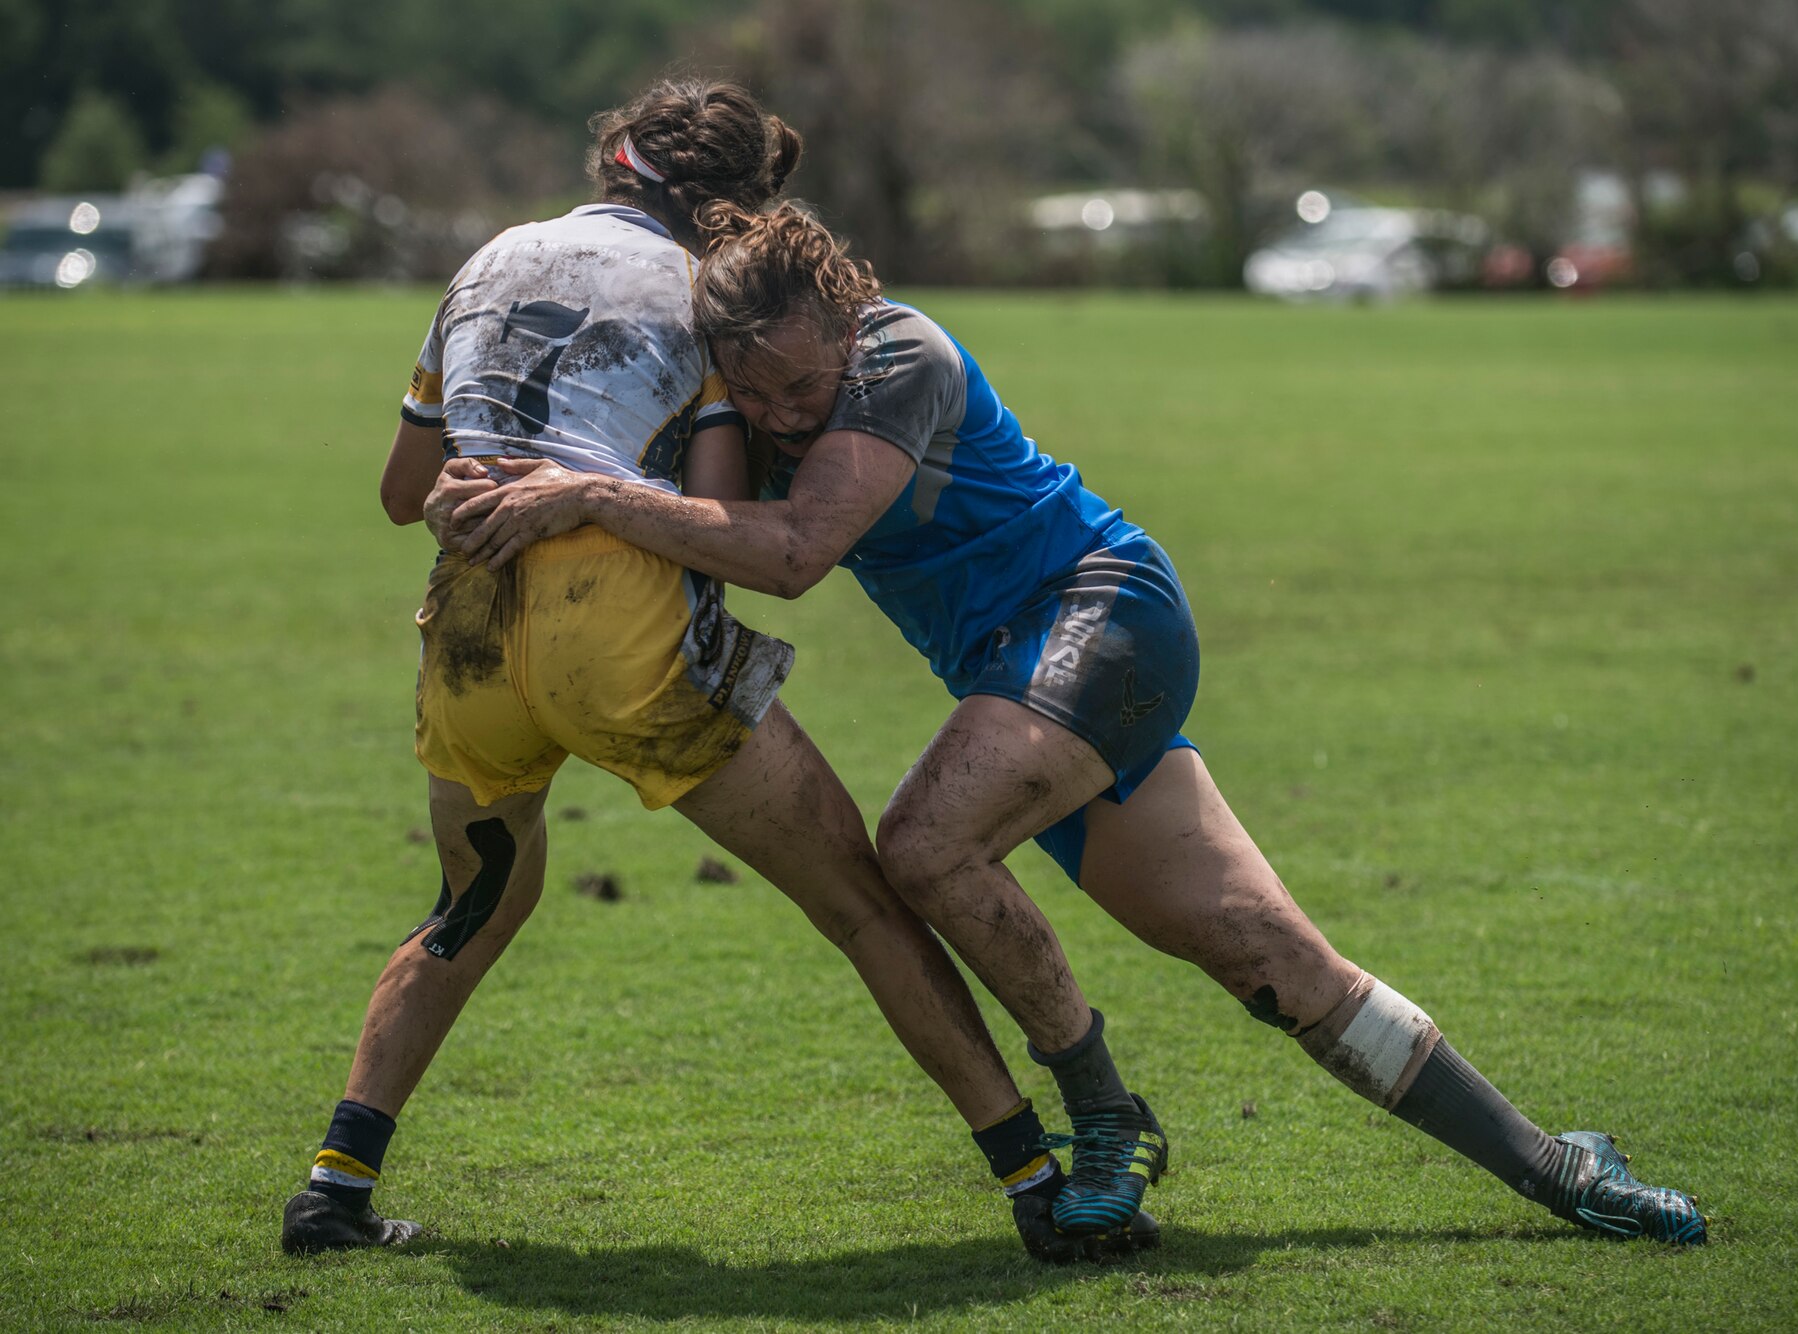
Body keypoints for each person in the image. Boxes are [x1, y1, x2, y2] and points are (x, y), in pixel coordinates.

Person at [430, 203, 1711, 1246]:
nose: (778, 415)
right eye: (751, 395)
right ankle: (1556, 1168)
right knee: (1274, 962)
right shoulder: (756, 397)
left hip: (1100, 613)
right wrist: (519, 486)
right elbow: (694, 523)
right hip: (1017, 674)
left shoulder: (896, 356)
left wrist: (578, 494)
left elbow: (791, 549)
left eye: (795, 385)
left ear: (843, 316)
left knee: (926, 841)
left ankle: (1103, 1114)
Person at [282, 78, 1156, 1264]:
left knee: (469, 903)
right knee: (857, 895)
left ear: (613, 167)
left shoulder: (486, 259)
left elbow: (402, 495)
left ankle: (334, 1184)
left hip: (470, 628)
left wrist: (479, 485)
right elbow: (727, 520)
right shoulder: (705, 304)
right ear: (733, 205)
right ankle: (1033, 1177)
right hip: (619, 636)